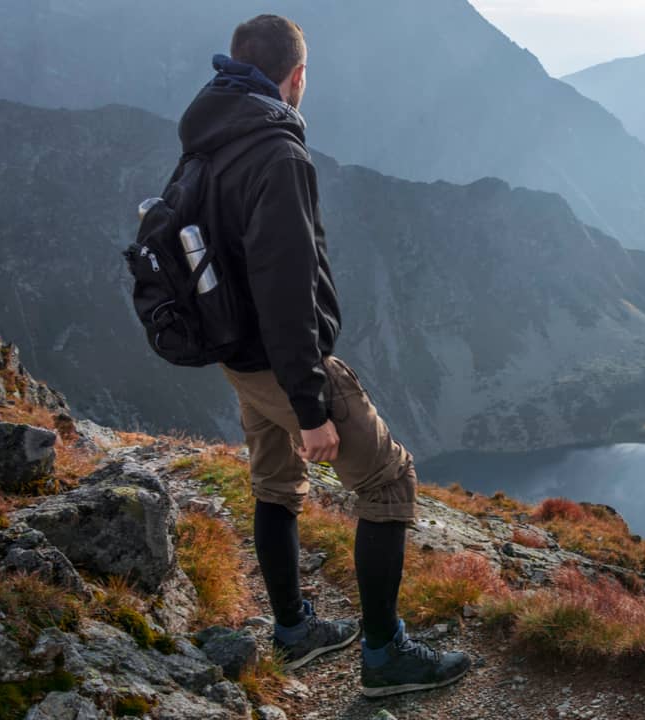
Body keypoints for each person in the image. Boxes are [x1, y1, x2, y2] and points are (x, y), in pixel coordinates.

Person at [177, 14, 470, 697]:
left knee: (275, 485)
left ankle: (293, 631)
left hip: (238, 357)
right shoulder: (276, 153)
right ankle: (384, 656)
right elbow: (285, 288)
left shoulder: (206, 136)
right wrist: (311, 406)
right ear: (297, 76)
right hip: (282, 362)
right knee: (388, 482)